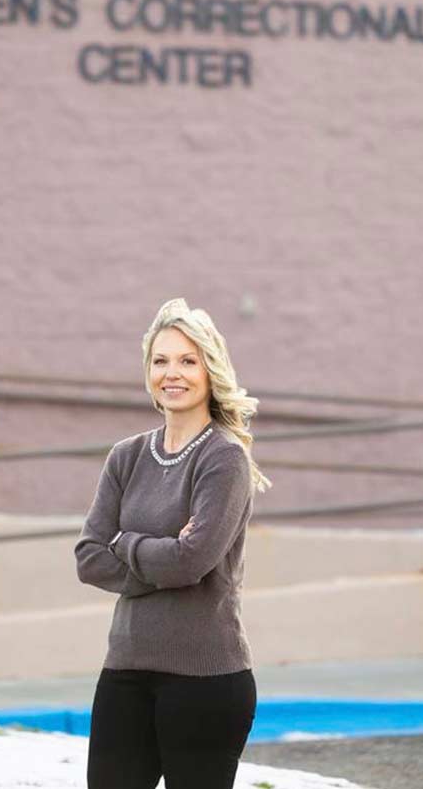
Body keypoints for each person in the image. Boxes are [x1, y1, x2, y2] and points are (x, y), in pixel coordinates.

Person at [74, 297, 272, 789]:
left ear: (210, 370)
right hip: (125, 671)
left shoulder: (223, 458)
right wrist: (161, 552)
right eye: (161, 360)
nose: (172, 373)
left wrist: (125, 543)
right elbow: (89, 558)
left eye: (188, 360)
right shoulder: (125, 456)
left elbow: (190, 563)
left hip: (205, 680)